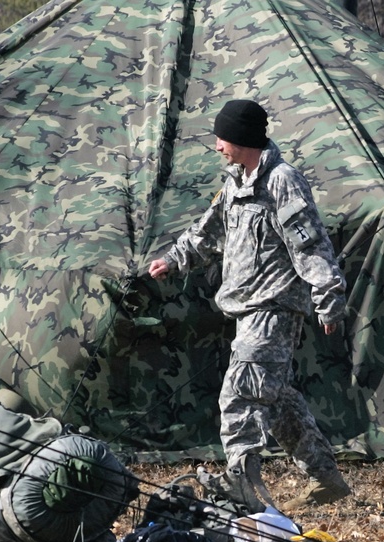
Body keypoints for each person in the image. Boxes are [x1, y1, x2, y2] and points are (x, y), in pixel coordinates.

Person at [148, 99, 350, 512]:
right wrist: (173, 259)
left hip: (274, 308)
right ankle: (326, 478)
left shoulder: (282, 182)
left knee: (240, 393)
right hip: (247, 310)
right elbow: (208, 231)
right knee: (276, 401)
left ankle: (240, 480)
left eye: (223, 137)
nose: (218, 145)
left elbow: (310, 244)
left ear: (243, 138)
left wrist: (328, 299)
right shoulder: (237, 181)